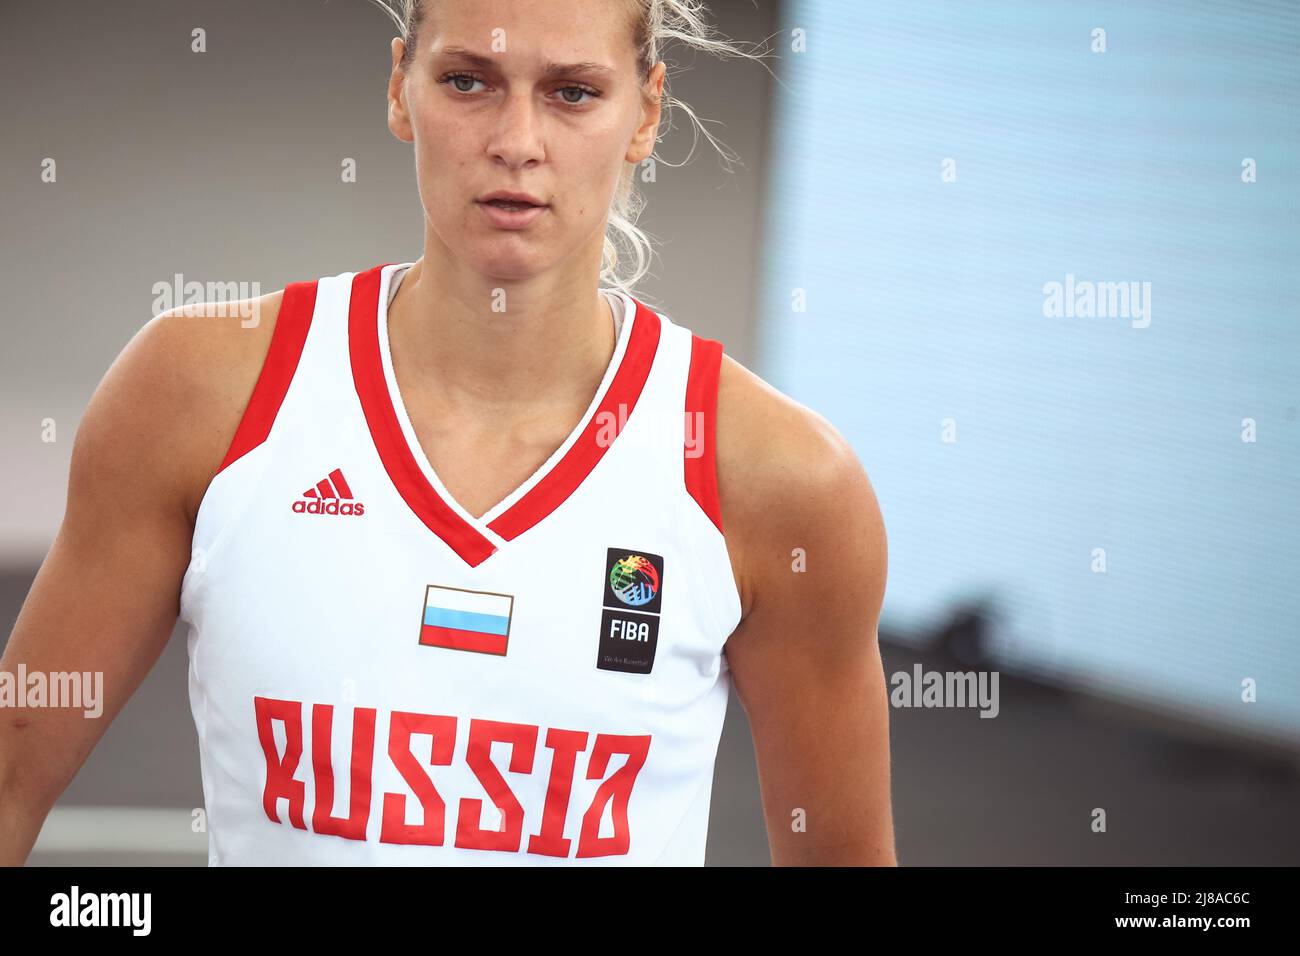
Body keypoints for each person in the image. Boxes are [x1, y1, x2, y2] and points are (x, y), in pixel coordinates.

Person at [0, 0, 894, 865]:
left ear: (647, 113)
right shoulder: (205, 396)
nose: (516, 142)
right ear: (400, 88)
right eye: (468, 81)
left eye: (572, 92)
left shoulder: (776, 479)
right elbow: (11, 777)